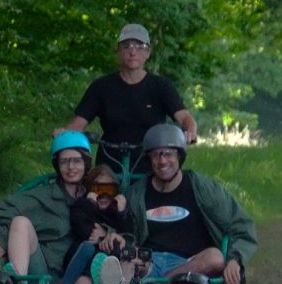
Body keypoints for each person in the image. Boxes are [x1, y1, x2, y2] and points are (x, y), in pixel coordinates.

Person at [100, 123, 257, 284]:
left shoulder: (202, 188)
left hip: (191, 262)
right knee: (127, 258)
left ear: (179, 156)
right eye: (156, 154)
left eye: (168, 153)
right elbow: (120, 225)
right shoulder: (137, 194)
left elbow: (241, 224)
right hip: (150, 260)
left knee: (215, 257)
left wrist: (234, 259)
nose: (162, 161)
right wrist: (113, 235)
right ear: (148, 159)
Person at [55, 23, 197, 176]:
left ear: (147, 52)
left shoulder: (161, 86)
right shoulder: (101, 87)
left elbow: (184, 117)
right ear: (119, 51)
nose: (132, 51)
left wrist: (189, 131)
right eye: (126, 46)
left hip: (152, 165)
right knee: (98, 196)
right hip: (110, 164)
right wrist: (64, 133)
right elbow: (79, 124)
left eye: (139, 46)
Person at [0, 131, 91, 284]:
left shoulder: (95, 196)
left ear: (86, 163)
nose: (71, 167)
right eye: (64, 162)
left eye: (77, 161)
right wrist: (2, 239)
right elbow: (3, 210)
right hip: (44, 274)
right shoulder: (43, 195)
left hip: (77, 278)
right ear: (57, 165)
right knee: (20, 222)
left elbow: (119, 224)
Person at [54, 165, 135, 284]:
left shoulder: (115, 212)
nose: (103, 195)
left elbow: (128, 235)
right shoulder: (83, 206)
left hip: (109, 258)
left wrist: (122, 213)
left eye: (109, 190)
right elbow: (84, 230)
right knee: (87, 247)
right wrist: (90, 203)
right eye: (98, 189)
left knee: (122, 251)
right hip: (84, 261)